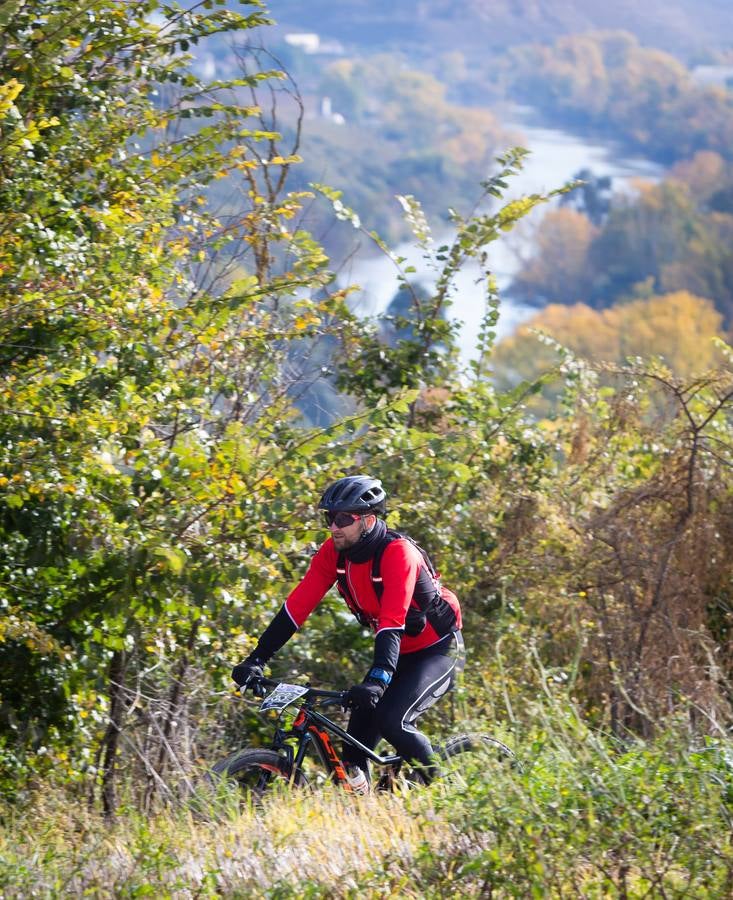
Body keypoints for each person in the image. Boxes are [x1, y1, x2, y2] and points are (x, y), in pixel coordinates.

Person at [231, 475, 464, 784]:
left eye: (343, 518)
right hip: (397, 652)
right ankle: (371, 811)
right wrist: (257, 658)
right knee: (354, 753)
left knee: (393, 722)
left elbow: (392, 621)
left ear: (368, 520)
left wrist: (378, 680)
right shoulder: (334, 554)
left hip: (437, 650)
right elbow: (295, 608)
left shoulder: (398, 554)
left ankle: (444, 796)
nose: (333, 527)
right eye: (329, 518)